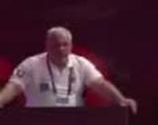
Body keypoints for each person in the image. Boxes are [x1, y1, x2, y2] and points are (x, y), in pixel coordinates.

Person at [0, 27, 137, 113]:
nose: (61, 49)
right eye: (56, 45)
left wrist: (121, 100)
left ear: (71, 45)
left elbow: (100, 84)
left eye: (64, 45)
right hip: (38, 119)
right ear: (47, 46)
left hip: (73, 119)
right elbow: (14, 87)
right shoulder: (30, 64)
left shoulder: (81, 63)